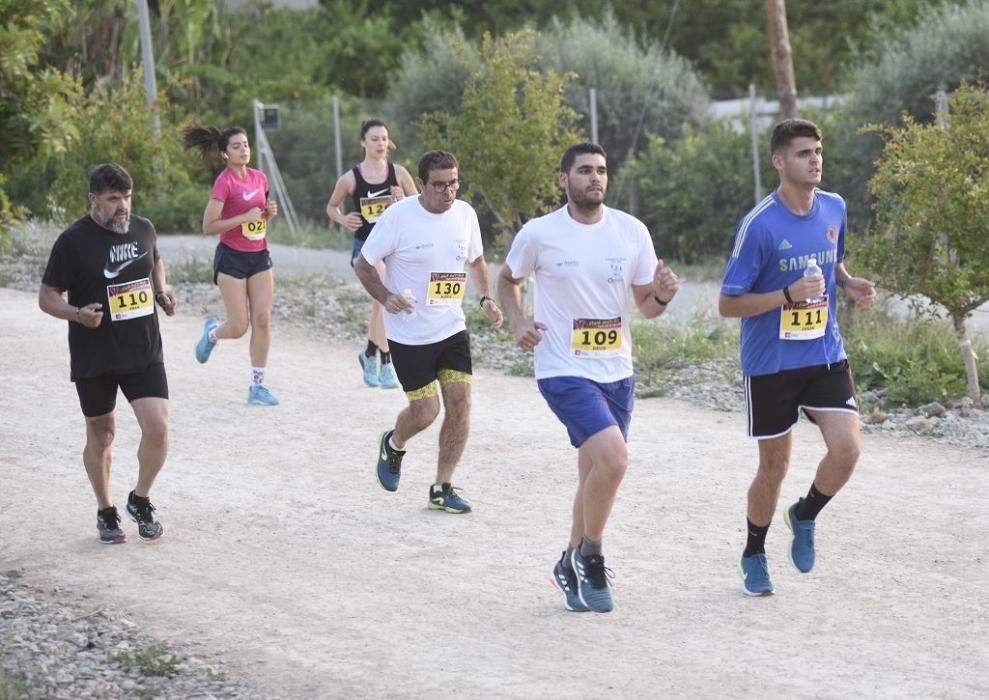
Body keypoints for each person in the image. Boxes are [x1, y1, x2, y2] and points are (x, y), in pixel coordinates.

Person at [497, 143, 680, 613]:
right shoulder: (540, 233)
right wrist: (518, 322)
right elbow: (508, 278)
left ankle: (567, 563)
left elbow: (645, 307)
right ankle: (591, 556)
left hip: (617, 371)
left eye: (601, 170)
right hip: (562, 368)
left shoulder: (631, 231)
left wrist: (660, 297)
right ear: (564, 180)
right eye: (584, 171)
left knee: (594, 472)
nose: (594, 178)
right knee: (615, 461)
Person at [719, 118, 877, 597]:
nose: (815, 160)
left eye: (818, 151)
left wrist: (847, 283)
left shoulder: (834, 207)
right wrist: (785, 294)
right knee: (774, 468)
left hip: (824, 351)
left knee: (847, 448)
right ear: (779, 161)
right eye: (804, 153)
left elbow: (833, 257)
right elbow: (728, 304)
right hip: (771, 363)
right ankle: (754, 553)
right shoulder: (759, 225)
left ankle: (804, 514)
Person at [354, 150, 503, 514]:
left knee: (461, 404)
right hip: (409, 335)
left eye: (453, 183)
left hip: (451, 327)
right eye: (439, 185)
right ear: (421, 185)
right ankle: (394, 442)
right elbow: (363, 264)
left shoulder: (466, 215)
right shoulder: (398, 218)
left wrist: (485, 298)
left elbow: (477, 260)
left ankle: (442, 486)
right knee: (425, 411)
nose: (448, 191)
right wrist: (386, 297)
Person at [39, 163, 176, 544]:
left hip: (142, 345)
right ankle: (105, 509)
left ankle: (141, 498)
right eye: (113, 199)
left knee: (159, 428)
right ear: (93, 199)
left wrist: (161, 291)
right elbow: (47, 297)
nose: (122, 206)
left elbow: (156, 260)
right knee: (102, 435)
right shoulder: (72, 241)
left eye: (127, 198)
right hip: (94, 351)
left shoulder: (143, 228)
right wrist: (76, 315)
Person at [183, 124, 280, 406]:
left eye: (246, 144)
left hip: (259, 255)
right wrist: (241, 218)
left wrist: (268, 214)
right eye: (236, 146)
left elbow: (258, 218)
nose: (243, 149)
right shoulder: (224, 182)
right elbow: (208, 226)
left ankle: (257, 387)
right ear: (225, 154)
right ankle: (212, 333)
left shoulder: (260, 178)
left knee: (263, 320)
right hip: (232, 257)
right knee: (239, 327)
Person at [326, 119, 418, 390]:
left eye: (384, 139)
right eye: (375, 139)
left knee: (380, 304)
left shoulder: (399, 173)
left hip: (394, 249)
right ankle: (387, 363)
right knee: (383, 299)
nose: (380, 144)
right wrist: (344, 220)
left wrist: (404, 200)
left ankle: (369, 355)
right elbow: (332, 207)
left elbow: (420, 206)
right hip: (366, 249)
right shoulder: (351, 178)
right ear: (363, 142)